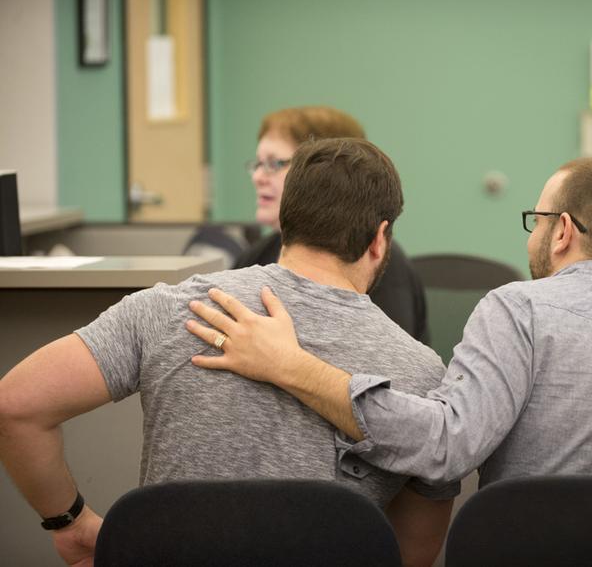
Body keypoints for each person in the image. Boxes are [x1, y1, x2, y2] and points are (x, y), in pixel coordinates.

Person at [0, 138, 457, 567]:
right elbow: (410, 554)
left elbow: (14, 407)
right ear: (380, 238)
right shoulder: (419, 373)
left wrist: (71, 522)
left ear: (285, 219)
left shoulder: (173, 309)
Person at [187, 156, 592, 493]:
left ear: (562, 232)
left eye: (536, 221)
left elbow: (445, 447)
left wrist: (292, 366)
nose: (531, 236)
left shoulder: (521, 311)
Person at [236, 105, 429, 343]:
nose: (258, 176)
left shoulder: (375, 262)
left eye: (274, 164)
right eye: (258, 164)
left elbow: (390, 370)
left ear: (326, 171)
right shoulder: (252, 258)